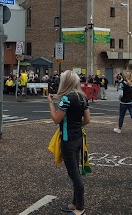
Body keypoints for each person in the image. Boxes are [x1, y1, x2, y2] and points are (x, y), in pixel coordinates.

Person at [47, 70, 90, 215]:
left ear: (65, 82)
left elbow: (56, 119)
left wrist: (51, 104)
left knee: (74, 175)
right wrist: (76, 127)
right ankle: (75, 203)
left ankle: (80, 208)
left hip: (68, 140)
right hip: (78, 138)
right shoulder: (83, 97)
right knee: (76, 172)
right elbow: (87, 120)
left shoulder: (66, 99)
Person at [113, 71, 132, 136]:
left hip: (124, 102)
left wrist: (119, 99)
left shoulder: (122, 84)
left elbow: (120, 94)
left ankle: (119, 128)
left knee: (121, 116)